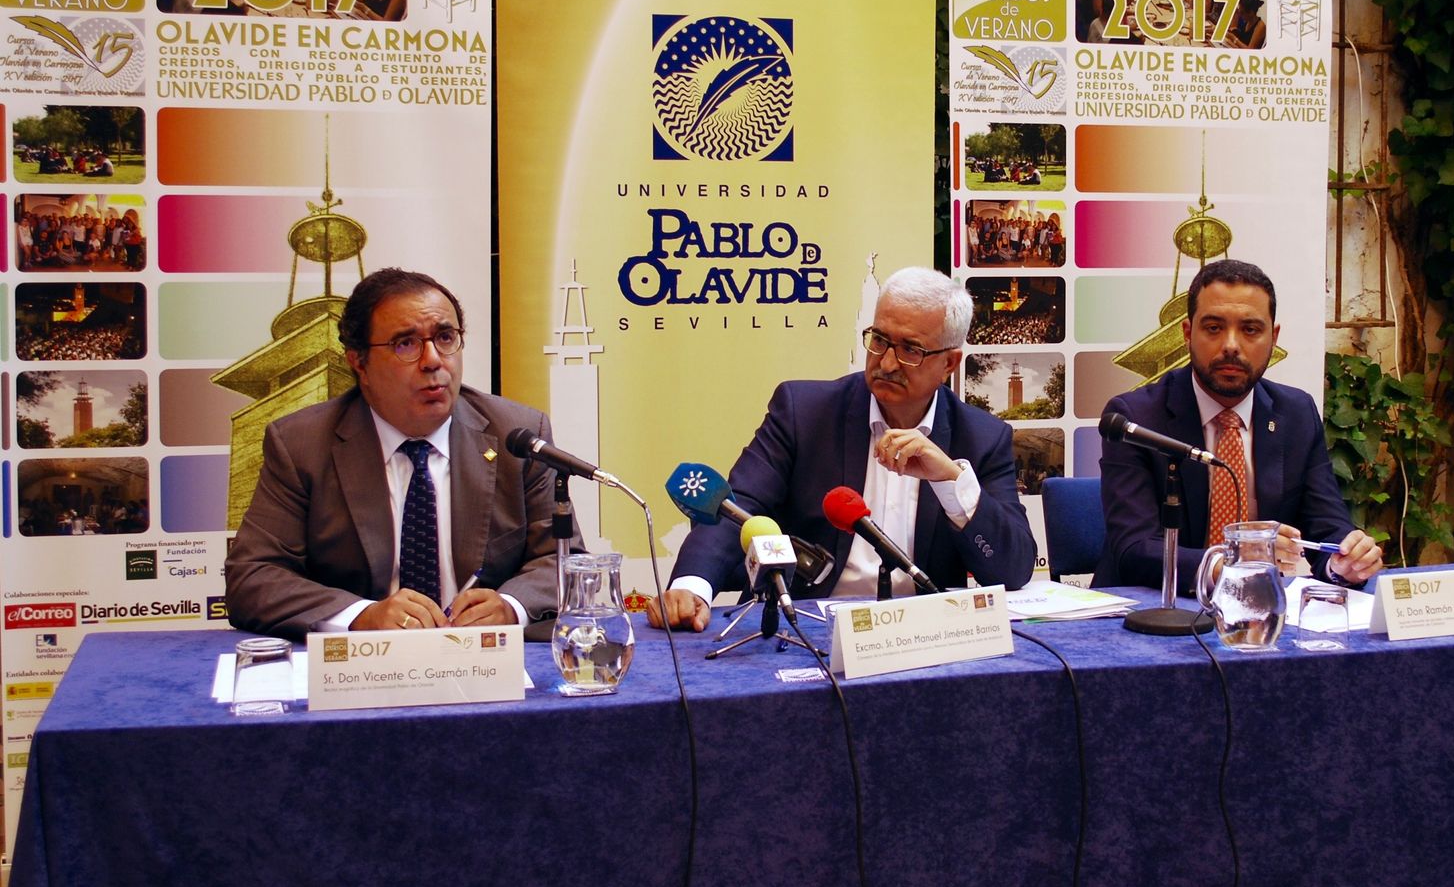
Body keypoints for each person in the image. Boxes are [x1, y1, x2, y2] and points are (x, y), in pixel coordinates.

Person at [648, 266, 1037, 631]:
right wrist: (692, 586)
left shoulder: (982, 438)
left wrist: (952, 481)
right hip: (809, 628)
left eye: (910, 350)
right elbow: (738, 507)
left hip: (924, 640)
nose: (886, 362)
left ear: (949, 363)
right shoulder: (804, 412)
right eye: (880, 339)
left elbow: (1012, 570)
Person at [226, 268, 580, 640]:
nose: (433, 361)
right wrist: (362, 616)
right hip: (361, 671)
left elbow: (565, 560)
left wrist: (511, 606)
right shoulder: (302, 444)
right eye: (405, 344)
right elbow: (254, 576)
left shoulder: (516, 436)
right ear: (358, 362)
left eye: (445, 337)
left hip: (486, 665)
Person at [1094, 259, 1384, 594]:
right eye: (1214, 328)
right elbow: (1134, 548)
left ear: (1273, 337)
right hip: (1153, 613)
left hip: (1262, 614)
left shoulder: (1296, 413)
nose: (1231, 345)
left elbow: (1327, 525)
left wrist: (1343, 564)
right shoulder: (1136, 417)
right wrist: (1234, 562)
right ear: (1188, 333)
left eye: (1250, 330)